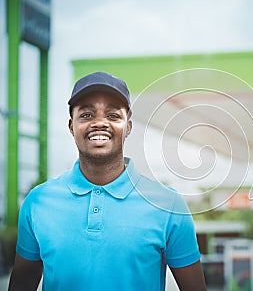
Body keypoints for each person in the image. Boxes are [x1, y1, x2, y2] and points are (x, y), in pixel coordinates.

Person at [8, 72, 207, 291]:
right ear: (71, 126)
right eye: (86, 115)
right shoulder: (38, 201)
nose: (100, 123)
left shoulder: (168, 205)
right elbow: (22, 284)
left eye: (113, 115)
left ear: (128, 127)